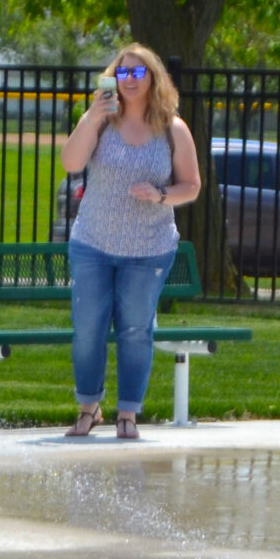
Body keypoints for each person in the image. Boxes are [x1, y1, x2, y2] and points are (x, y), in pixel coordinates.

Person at [59, 44, 202, 440]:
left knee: (136, 329)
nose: (131, 80)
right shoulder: (102, 122)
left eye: (139, 73)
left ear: (154, 78)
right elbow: (71, 163)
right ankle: (89, 408)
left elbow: (191, 186)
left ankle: (128, 414)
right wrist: (91, 116)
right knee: (88, 327)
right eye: (124, 73)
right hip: (93, 244)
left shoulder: (173, 128)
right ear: (114, 78)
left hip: (149, 250)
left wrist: (160, 195)